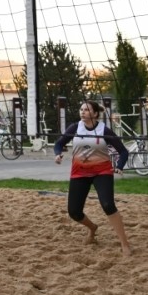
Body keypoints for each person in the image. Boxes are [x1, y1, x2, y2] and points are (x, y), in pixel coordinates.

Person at [53, 100, 132, 256]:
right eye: (81, 109)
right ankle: (92, 227)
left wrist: (119, 166)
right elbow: (59, 143)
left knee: (108, 205)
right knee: (74, 212)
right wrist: (58, 154)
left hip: (101, 172)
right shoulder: (74, 128)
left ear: (95, 114)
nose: (82, 112)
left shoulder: (104, 130)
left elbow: (123, 152)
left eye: (86, 110)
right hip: (79, 172)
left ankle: (124, 243)